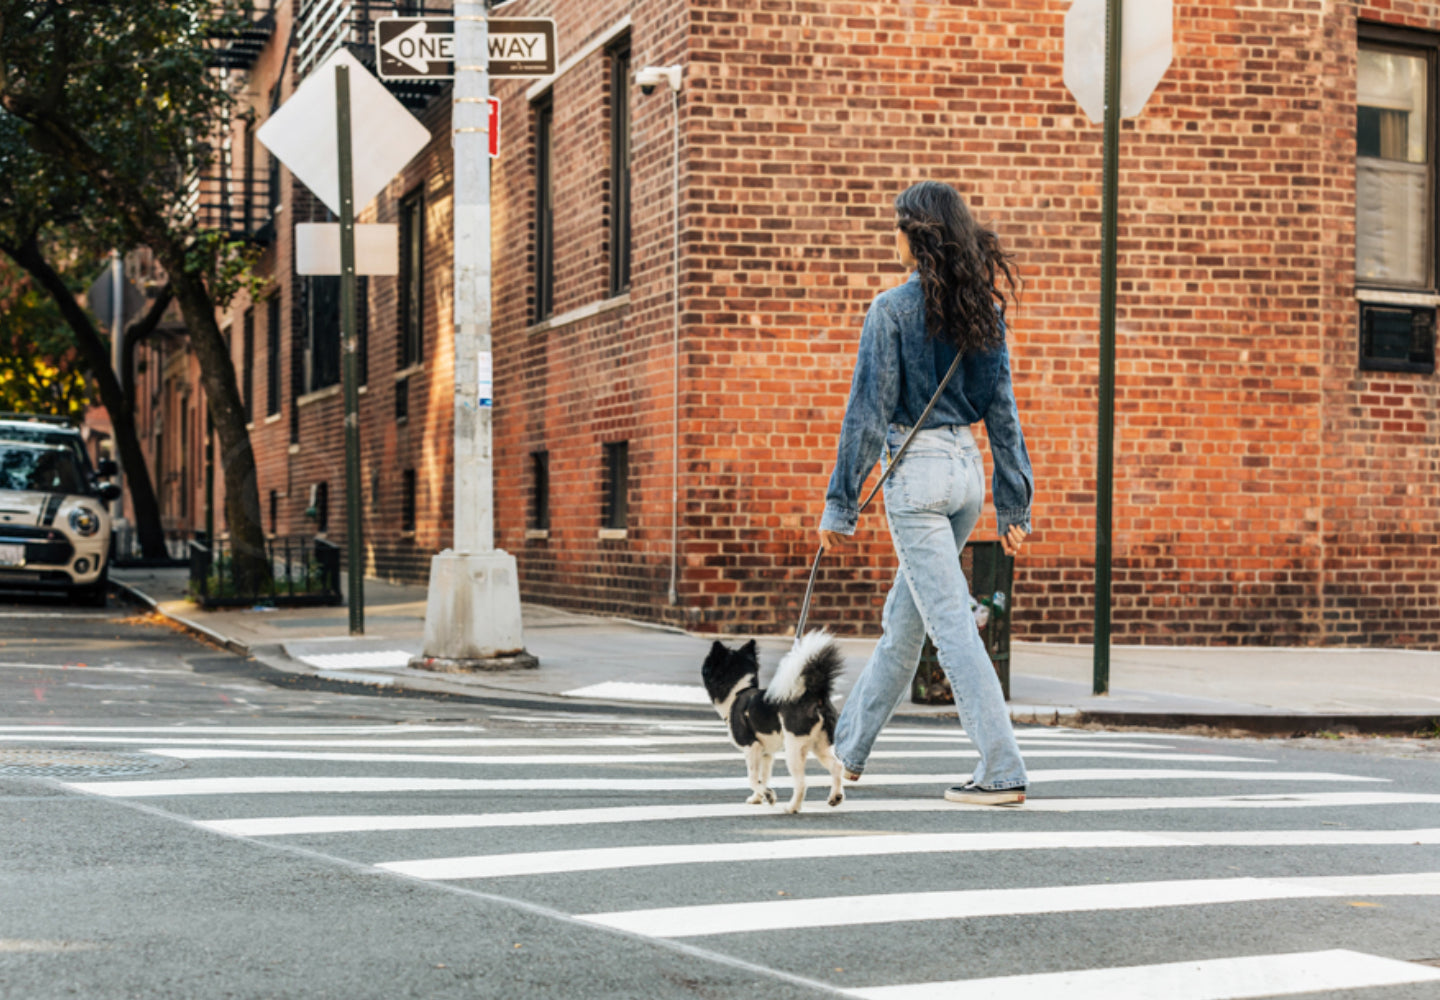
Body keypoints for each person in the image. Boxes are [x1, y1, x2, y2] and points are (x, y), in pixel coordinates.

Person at [817, 180, 1033, 806]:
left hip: (915, 479)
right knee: (904, 626)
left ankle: (1001, 768)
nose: (892, 239)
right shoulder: (982, 311)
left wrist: (841, 503)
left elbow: (867, 412)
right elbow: (1004, 413)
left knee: (950, 626)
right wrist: (1015, 503)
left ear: (918, 236)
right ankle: (847, 753)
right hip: (966, 474)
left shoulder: (890, 310)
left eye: (897, 228)